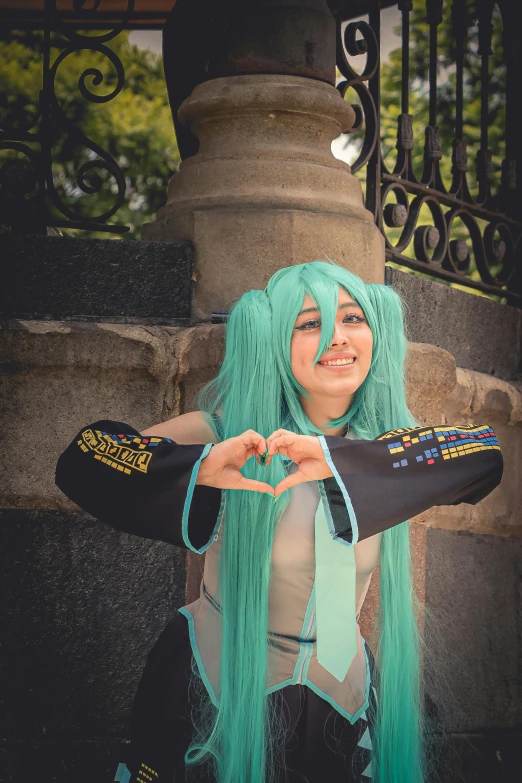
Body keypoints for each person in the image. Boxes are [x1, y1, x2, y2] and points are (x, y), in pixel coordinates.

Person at [55, 260, 503, 783]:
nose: (337, 338)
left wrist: (340, 460)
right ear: (273, 340)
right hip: (217, 682)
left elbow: (484, 455)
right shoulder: (222, 431)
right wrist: (197, 469)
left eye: (353, 318)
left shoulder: (390, 447)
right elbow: (85, 459)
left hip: (347, 694)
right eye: (309, 323)